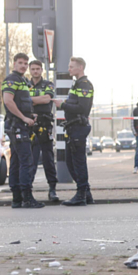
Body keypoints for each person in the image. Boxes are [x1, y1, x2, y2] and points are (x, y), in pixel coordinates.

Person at [1, 53, 44, 209]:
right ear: (14, 64)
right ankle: (27, 198)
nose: (24, 66)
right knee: (26, 162)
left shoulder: (22, 81)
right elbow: (8, 101)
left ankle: (17, 199)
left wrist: (30, 114)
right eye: (20, 63)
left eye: (25, 63)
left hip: (18, 125)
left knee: (16, 162)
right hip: (17, 126)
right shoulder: (12, 79)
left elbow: (21, 102)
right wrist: (24, 118)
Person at [55, 57, 94, 206]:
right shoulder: (77, 84)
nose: (69, 69)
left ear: (80, 67)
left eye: (72, 67)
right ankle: (86, 193)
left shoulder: (84, 85)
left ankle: (81, 195)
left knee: (78, 163)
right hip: (73, 127)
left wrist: (63, 105)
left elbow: (82, 108)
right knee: (71, 162)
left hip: (78, 127)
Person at [27, 60, 60, 203]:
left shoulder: (48, 84)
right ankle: (28, 191)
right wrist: (35, 100)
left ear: (41, 70)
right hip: (29, 126)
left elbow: (47, 99)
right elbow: (18, 100)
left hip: (45, 125)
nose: (35, 71)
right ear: (30, 70)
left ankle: (52, 190)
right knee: (30, 160)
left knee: (48, 159)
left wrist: (29, 100)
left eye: (38, 69)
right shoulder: (25, 85)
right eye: (33, 69)